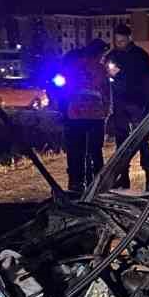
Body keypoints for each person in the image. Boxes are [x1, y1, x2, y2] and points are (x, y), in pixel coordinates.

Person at [105, 23, 149, 188]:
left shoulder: (140, 56)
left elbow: (147, 78)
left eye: (122, 41)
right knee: (121, 142)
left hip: (137, 102)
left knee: (141, 138)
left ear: (129, 38)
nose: (119, 44)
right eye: (117, 41)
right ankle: (124, 177)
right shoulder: (112, 55)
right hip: (120, 103)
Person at [60, 39, 109, 194]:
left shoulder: (73, 66)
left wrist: (63, 109)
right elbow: (106, 92)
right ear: (98, 53)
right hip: (95, 115)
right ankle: (97, 183)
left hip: (75, 114)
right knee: (95, 150)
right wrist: (107, 111)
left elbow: (65, 89)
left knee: (76, 150)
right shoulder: (100, 69)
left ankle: (76, 183)